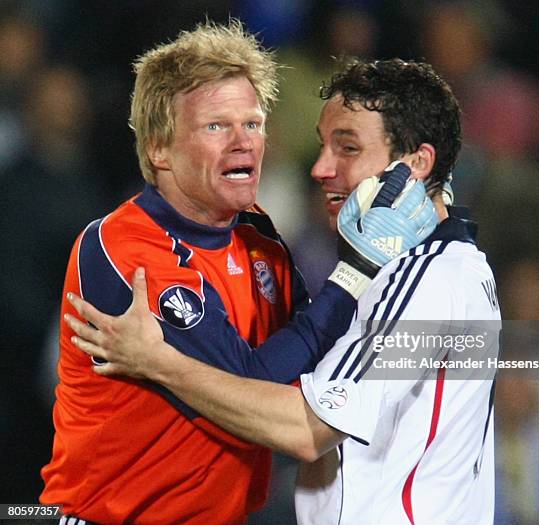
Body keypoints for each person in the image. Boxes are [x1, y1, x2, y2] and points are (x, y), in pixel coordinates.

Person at [66, 59, 501, 524]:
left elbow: (306, 429)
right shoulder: (426, 270)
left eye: (348, 147)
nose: (320, 168)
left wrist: (158, 362)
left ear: (415, 165)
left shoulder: (424, 281)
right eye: (323, 146)